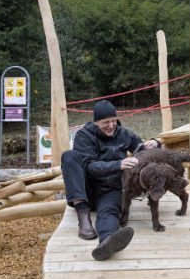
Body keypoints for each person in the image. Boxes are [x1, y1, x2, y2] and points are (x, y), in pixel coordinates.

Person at [61, 100, 160, 261]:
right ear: (96, 122)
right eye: (105, 122)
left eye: (113, 120)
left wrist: (155, 143)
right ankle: (83, 217)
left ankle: (106, 243)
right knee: (69, 156)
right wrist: (118, 164)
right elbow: (89, 166)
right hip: (87, 191)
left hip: (111, 188)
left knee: (109, 213)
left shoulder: (124, 133)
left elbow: (141, 150)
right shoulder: (84, 136)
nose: (111, 125)